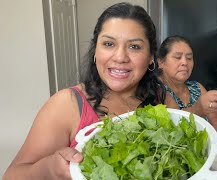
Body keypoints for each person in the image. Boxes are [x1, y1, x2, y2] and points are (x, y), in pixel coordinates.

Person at [3, 2, 165, 179]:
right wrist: (49, 168)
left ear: (151, 57)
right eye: (109, 44)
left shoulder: (160, 98)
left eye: (134, 46)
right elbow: (11, 176)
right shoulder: (67, 104)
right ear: (95, 50)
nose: (120, 57)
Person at [156, 35, 217, 136]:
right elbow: (172, 133)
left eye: (189, 58)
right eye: (177, 57)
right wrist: (199, 109)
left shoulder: (197, 87)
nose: (185, 62)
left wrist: (209, 145)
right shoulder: (156, 91)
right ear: (161, 62)